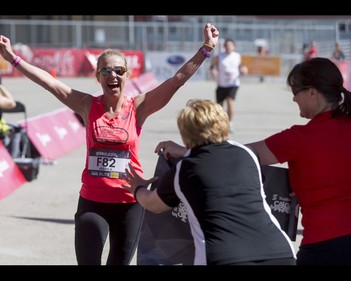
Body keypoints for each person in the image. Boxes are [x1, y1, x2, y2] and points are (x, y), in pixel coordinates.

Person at [0, 23, 220, 265]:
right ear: (99, 76)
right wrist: (13, 59)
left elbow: (177, 80)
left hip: (130, 203)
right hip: (92, 202)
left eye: (119, 70)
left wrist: (206, 48)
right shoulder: (88, 105)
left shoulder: (139, 107)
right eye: (106, 70)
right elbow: (51, 84)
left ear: (127, 75)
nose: (113, 75)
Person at [121, 99, 297, 265]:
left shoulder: (184, 170)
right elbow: (218, 158)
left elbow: (153, 204)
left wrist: (137, 188)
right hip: (280, 252)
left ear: (186, 135)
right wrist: (185, 151)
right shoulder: (246, 153)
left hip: (225, 257)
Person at [245, 57, 351, 265]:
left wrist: (186, 150)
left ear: (312, 92)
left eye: (295, 92)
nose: (293, 99)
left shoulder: (300, 138)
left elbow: (236, 155)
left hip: (325, 245)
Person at [210, 38, 246, 133]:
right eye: (227, 45)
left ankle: (229, 123)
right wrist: (213, 70)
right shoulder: (219, 56)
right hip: (221, 84)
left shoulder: (237, 56)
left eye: (230, 45)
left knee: (230, 101)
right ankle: (219, 124)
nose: (228, 47)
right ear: (224, 47)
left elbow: (241, 66)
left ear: (234, 47)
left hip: (233, 84)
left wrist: (243, 70)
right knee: (219, 106)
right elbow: (212, 66)